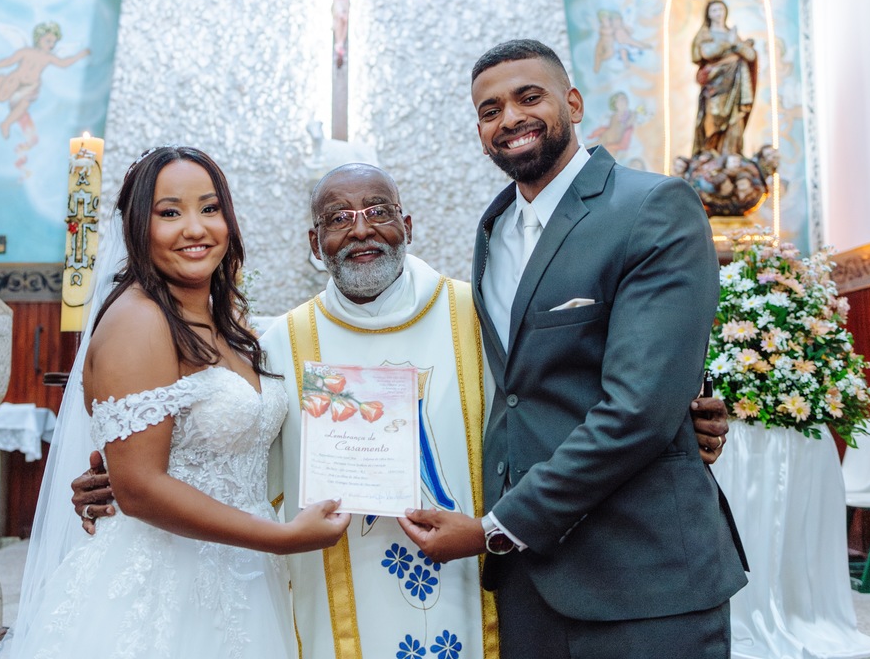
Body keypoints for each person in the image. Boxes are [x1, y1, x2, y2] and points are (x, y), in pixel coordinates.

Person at [68, 161, 733, 658]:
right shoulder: (278, 340)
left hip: (475, 568)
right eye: (337, 219)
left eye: (379, 211)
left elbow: (576, 395)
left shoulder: (482, 314)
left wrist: (684, 419)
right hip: (324, 576)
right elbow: (214, 433)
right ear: (313, 241)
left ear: (408, 226)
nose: (361, 231)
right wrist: (122, 479)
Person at [397, 39, 747, 659]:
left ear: (574, 102)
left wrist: (495, 531)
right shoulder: (494, 229)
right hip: (530, 588)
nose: (509, 118)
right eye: (489, 110)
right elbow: (518, 391)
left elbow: (638, 409)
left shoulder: (652, 206)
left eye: (529, 97)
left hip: (643, 575)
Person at [7, 147, 350, 658]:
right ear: (137, 228)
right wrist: (279, 537)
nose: (196, 228)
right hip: (163, 589)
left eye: (210, 209)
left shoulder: (229, 322)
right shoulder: (138, 322)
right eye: (170, 212)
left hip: (241, 576)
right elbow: (139, 488)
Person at [0, 21, 89, 176]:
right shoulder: (26, 52)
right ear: (39, 38)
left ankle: (7, 124)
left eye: (53, 42)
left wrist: (80, 54)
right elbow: (8, 61)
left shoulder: (48, 58)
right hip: (15, 82)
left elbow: (64, 63)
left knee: (24, 104)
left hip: (29, 88)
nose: (51, 45)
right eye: (48, 41)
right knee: (8, 97)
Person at [691, 0, 758, 158]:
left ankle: (731, 155)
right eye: (714, 10)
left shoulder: (732, 34)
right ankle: (709, 153)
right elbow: (705, 53)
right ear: (708, 13)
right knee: (712, 119)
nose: (718, 13)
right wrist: (729, 43)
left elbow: (750, 55)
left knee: (735, 121)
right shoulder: (705, 34)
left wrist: (738, 44)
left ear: (725, 12)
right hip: (715, 85)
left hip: (734, 84)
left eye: (720, 9)